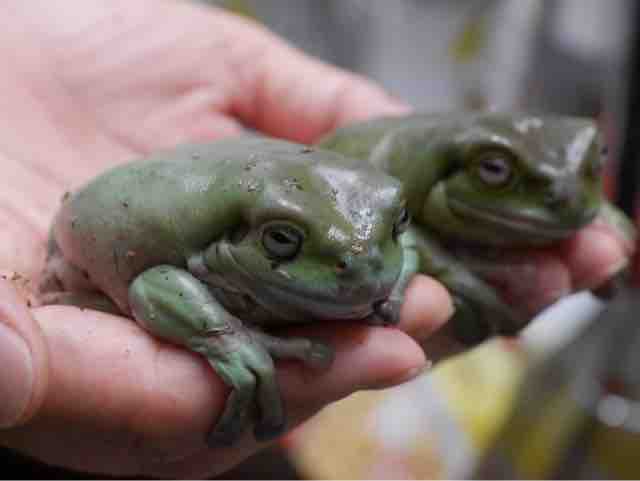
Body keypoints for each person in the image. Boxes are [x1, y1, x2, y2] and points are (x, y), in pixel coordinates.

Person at [0, 1, 632, 478]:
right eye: (282, 241)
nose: (365, 263)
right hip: (94, 250)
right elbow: (153, 283)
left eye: (393, 229)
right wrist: (223, 334)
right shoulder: (207, 241)